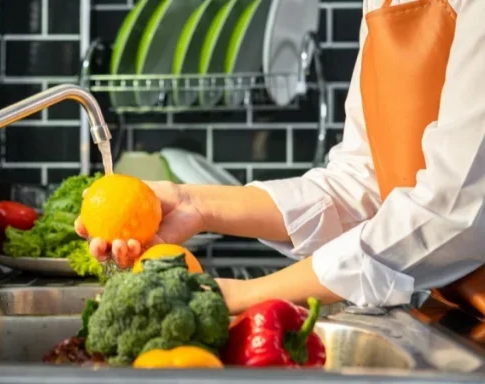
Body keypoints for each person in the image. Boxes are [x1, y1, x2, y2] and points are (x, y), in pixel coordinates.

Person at [75, 0, 485, 315]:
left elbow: (451, 212)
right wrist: (193, 204)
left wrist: (247, 294)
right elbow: (362, 187)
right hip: (452, 315)